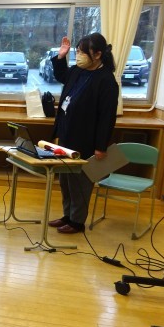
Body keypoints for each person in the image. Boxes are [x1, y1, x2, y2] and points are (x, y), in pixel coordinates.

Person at [48, 33, 119, 234]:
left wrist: (101, 146)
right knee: (65, 180)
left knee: (80, 182)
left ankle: (77, 222)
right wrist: (61, 56)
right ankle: (68, 215)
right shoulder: (77, 71)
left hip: (85, 139)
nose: (78, 55)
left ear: (97, 54)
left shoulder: (106, 81)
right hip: (66, 134)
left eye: (82, 52)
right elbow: (61, 76)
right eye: (77, 51)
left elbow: (107, 117)